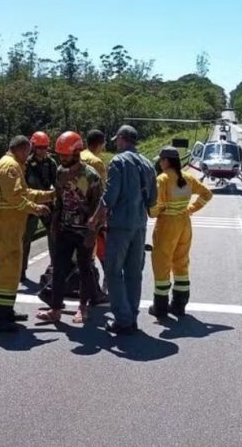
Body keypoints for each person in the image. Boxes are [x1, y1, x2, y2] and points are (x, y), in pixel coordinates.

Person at [92, 124, 157, 335]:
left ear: (121, 139)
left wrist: (95, 218)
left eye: (117, 140)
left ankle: (123, 319)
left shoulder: (118, 161)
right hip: (139, 225)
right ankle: (132, 316)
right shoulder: (147, 163)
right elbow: (153, 199)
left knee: (113, 272)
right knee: (134, 273)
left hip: (120, 225)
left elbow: (109, 196)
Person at [0, 136, 54, 333]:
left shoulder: (11, 164)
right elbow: (15, 198)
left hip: (9, 226)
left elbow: (23, 192)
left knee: (11, 271)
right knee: (6, 271)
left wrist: (49, 195)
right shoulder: (11, 167)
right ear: (22, 150)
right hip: (5, 227)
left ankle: (5, 310)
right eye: (28, 152)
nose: (28, 156)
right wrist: (35, 208)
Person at [36, 131, 103, 325]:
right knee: (59, 269)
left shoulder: (91, 176)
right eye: (60, 155)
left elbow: (98, 206)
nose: (62, 159)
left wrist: (92, 232)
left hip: (84, 231)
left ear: (77, 153)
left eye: (66, 155)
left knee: (84, 269)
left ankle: (83, 307)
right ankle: (55, 309)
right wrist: (54, 225)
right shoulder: (60, 172)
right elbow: (58, 200)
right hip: (65, 229)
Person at [148, 146, 212, 318]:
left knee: (162, 264)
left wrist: (152, 213)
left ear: (166, 161)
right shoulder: (188, 178)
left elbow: (155, 207)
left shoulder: (162, 179)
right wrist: (191, 209)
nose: (159, 163)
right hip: (184, 223)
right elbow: (207, 194)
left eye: (161, 160)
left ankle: (160, 306)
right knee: (181, 263)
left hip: (167, 225)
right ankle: (179, 305)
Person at [23, 131, 58, 282]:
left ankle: (55, 266)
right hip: (31, 204)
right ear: (33, 147)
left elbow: (56, 183)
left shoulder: (51, 163)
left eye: (45, 147)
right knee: (25, 238)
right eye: (39, 147)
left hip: (47, 203)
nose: (42, 150)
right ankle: (21, 270)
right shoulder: (26, 164)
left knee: (54, 234)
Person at [80, 129, 110, 301]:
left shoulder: (79, 156)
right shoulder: (97, 162)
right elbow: (103, 191)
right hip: (92, 212)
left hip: (75, 212)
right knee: (98, 249)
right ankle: (98, 287)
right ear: (100, 144)